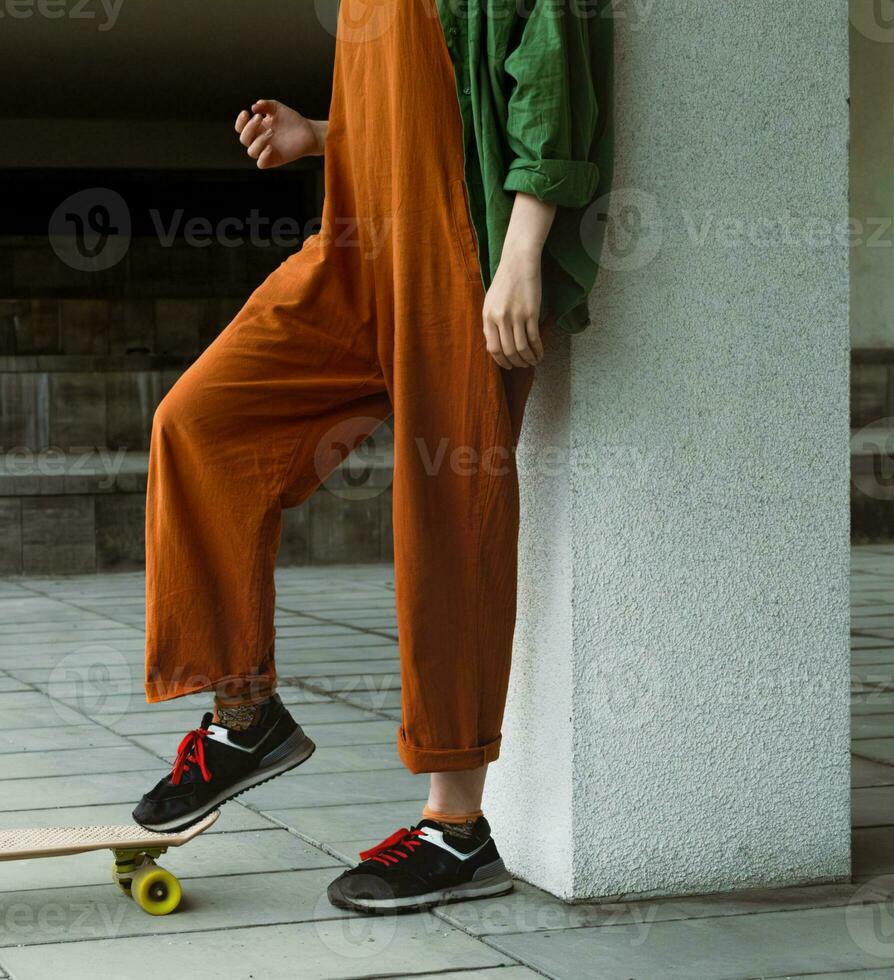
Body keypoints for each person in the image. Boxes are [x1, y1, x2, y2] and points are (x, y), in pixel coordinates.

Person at [130, 0, 613, 914]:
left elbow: (552, 82)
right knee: (198, 423)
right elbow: (411, 105)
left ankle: (456, 829)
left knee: (448, 526)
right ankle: (244, 715)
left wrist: (521, 255)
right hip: (353, 253)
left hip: (459, 258)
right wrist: (320, 134)